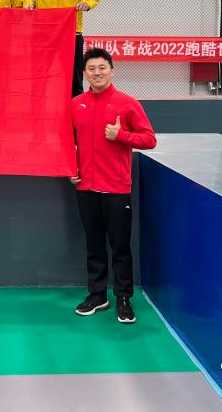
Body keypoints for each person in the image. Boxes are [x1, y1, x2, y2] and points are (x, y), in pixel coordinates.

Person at [71, 48, 156, 324]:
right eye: (91, 69)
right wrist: (70, 169)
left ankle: (123, 298)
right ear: (84, 74)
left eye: (102, 68)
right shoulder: (76, 105)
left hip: (117, 189)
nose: (97, 73)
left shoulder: (127, 103)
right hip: (86, 188)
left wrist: (121, 135)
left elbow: (149, 139)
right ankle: (98, 295)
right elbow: (66, 143)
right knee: (94, 245)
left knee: (120, 246)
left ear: (111, 71)